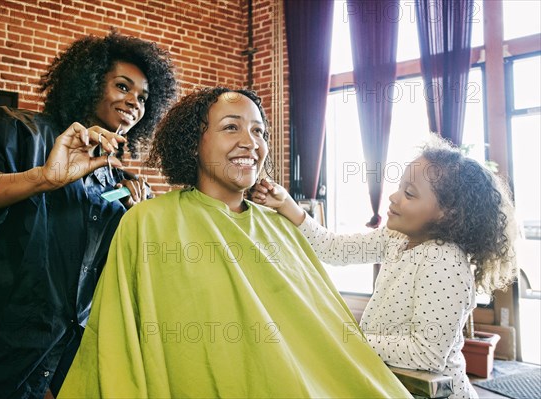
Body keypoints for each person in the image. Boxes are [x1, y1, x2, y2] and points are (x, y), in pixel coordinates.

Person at [58, 87, 410, 398]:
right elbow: (117, 341)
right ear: (195, 142)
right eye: (231, 127)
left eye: (259, 131)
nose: (251, 142)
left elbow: (327, 334)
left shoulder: (282, 228)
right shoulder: (148, 223)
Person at [0, 31, 177, 399]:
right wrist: (42, 178)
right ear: (88, 82)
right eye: (122, 86)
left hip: (66, 366)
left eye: (143, 98)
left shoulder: (119, 181)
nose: (133, 102)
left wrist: (137, 222)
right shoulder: (16, 131)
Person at [251, 136, 518, 398]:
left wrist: (348, 338)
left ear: (446, 213)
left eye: (409, 194)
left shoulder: (444, 262)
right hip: (392, 384)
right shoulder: (396, 238)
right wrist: (288, 205)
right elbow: (334, 248)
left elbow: (427, 354)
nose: (394, 197)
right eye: (400, 187)